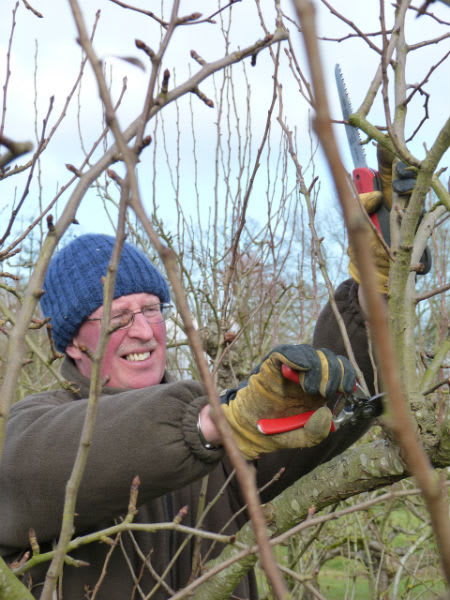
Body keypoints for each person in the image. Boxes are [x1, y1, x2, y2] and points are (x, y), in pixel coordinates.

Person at [0, 233, 377, 599]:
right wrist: (210, 424)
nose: (145, 331)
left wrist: (370, 298)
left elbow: (320, 406)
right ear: (71, 342)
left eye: (151, 309)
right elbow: (41, 465)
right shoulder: (27, 428)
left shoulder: (221, 425)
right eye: (117, 318)